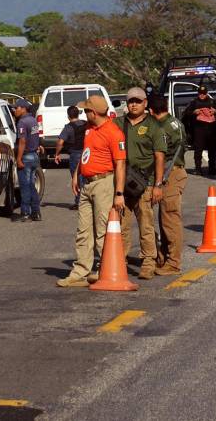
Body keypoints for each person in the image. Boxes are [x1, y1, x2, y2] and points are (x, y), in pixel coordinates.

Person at [57, 95, 126, 288]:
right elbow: (86, 153)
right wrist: (76, 174)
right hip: (87, 183)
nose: (83, 113)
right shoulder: (88, 129)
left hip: (104, 183)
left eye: (86, 110)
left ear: (93, 113)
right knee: (83, 230)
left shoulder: (114, 133)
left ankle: (106, 269)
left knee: (102, 230)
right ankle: (80, 271)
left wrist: (119, 193)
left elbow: (120, 164)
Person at [114, 87, 166, 280]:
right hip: (123, 182)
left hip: (145, 182)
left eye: (137, 101)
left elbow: (159, 156)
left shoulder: (154, 126)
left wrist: (158, 185)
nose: (133, 104)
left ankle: (149, 261)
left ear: (145, 103)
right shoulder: (118, 123)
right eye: (130, 101)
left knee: (146, 224)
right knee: (121, 225)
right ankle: (120, 259)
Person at [148, 94, 186, 275]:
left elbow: (160, 154)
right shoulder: (176, 123)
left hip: (169, 174)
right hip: (175, 173)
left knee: (170, 220)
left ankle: (173, 262)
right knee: (165, 219)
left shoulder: (161, 128)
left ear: (150, 110)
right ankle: (164, 257)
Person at [53, 105, 88, 210]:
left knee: (76, 178)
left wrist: (57, 154)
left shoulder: (68, 127)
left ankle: (79, 202)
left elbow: (60, 142)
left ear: (68, 116)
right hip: (87, 153)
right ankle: (87, 200)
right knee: (87, 178)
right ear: (78, 114)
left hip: (75, 155)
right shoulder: (86, 124)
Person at [14, 99, 42, 222]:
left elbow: (22, 141)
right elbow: (36, 136)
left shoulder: (22, 122)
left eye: (17, 108)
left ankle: (25, 212)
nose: (15, 110)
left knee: (25, 186)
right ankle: (36, 212)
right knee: (31, 185)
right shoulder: (33, 120)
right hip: (34, 156)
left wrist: (18, 158)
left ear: (23, 108)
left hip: (26, 157)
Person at [183, 86, 216, 175]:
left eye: (204, 93)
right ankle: (198, 169)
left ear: (206, 93)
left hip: (211, 129)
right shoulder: (194, 102)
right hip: (199, 129)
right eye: (200, 93)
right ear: (198, 93)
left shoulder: (212, 101)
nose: (202, 95)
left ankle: (212, 168)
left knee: (212, 150)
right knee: (198, 150)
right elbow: (186, 113)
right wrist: (193, 112)